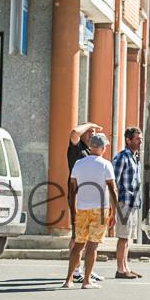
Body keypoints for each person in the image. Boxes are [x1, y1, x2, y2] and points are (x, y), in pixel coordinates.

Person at [62, 133, 118, 289]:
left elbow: (72, 188)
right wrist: (115, 211)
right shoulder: (105, 164)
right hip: (100, 210)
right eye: (105, 147)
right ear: (102, 148)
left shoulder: (78, 163)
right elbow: (112, 188)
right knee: (92, 246)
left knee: (78, 245)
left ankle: (68, 280)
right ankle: (86, 280)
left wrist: (73, 208)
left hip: (81, 208)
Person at [68, 121, 104, 284]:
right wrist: (89, 124)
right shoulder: (76, 148)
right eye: (89, 132)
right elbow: (74, 133)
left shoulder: (89, 151)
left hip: (91, 199)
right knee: (77, 236)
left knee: (90, 237)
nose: (92, 134)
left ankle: (86, 269)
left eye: (94, 132)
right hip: (78, 198)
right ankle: (76, 272)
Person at [112, 126, 143, 279]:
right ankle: (120, 269)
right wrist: (114, 205)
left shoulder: (135, 158)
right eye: (137, 139)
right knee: (123, 236)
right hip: (124, 202)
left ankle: (126, 267)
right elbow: (113, 182)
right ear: (128, 140)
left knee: (128, 237)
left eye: (141, 139)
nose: (140, 142)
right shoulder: (122, 157)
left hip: (134, 202)